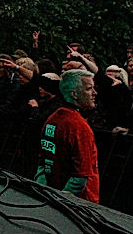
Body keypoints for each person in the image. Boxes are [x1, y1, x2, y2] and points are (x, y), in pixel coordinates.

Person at [35, 69, 100, 203]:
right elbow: (81, 176)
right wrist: (61, 201)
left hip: (50, 196)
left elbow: (43, 163)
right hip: (80, 203)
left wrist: (43, 192)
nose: (94, 93)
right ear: (74, 94)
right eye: (89, 89)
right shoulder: (79, 127)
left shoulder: (51, 120)